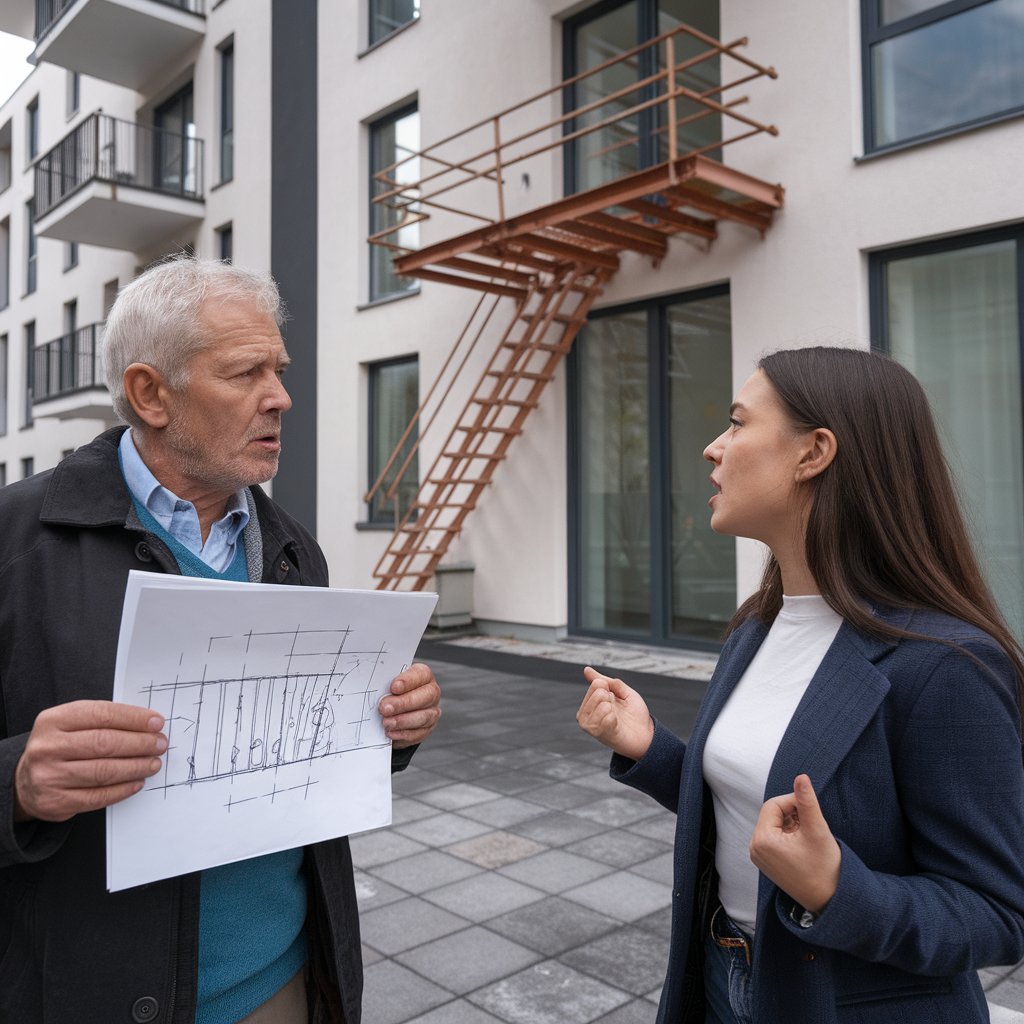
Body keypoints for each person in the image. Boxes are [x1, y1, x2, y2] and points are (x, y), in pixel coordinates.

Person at [0, 258, 442, 1024]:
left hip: (286, 983)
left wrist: (391, 725)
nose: (281, 397)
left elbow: (311, 744)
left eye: (280, 369)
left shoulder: (293, 546)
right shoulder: (14, 540)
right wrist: (17, 782)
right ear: (150, 393)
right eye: (246, 373)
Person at [577, 346, 1024, 1024]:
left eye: (736, 423)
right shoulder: (757, 627)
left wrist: (839, 890)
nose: (712, 448)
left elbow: (999, 913)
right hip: (722, 977)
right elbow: (759, 814)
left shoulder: (946, 664)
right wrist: (654, 751)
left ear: (814, 453)